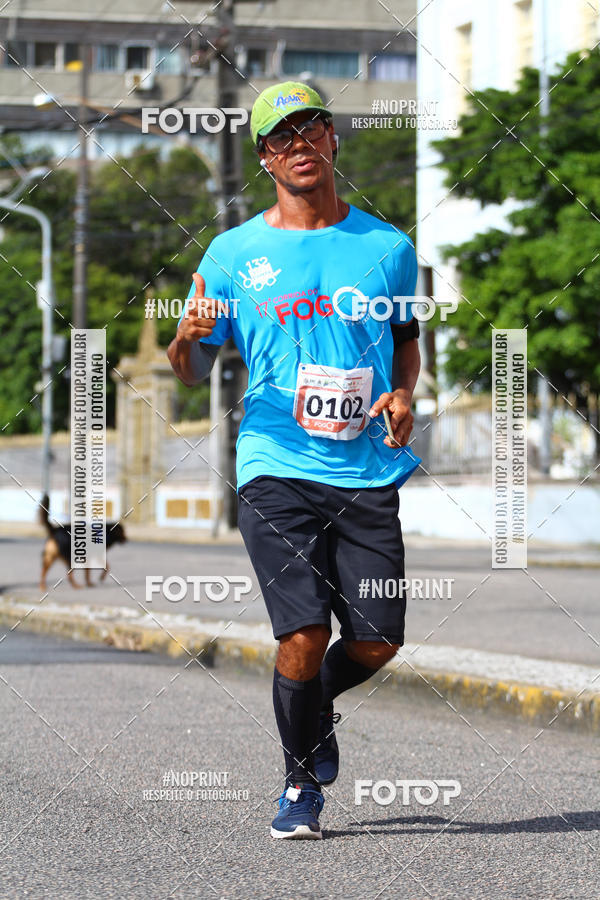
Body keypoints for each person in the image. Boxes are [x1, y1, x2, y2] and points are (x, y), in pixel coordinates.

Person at [167, 81, 421, 840]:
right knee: (303, 636)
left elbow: (406, 342)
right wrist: (185, 337)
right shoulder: (233, 254)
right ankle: (300, 781)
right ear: (264, 159)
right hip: (273, 461)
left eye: (310, 128)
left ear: (334, 138)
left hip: (366, 467)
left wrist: (404, 395)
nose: (298, 146)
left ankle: (313, 706)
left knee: (377, 639)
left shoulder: (388, 248)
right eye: (280, 139)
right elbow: (190, 370)